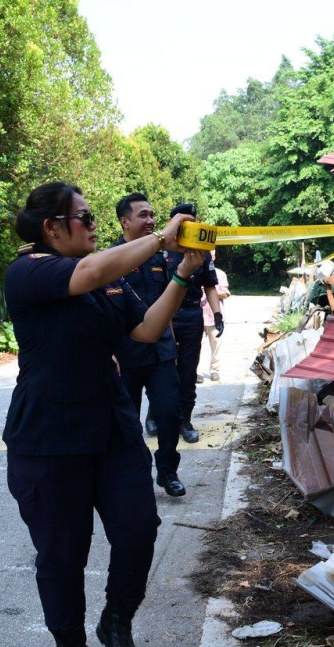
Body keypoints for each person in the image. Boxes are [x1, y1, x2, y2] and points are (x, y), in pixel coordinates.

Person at [3, 181, 203, 647]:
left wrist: (182, 272)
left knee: (138, 531)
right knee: (61, 553)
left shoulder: (110, 282)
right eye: (86, 218)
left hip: (113, 433)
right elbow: (89, 271)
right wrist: (160, 239)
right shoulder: (28, 271)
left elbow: (147, 329)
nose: (94, 227)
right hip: (49, 440)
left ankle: (116, 622)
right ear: (52, 228)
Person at [112, 193, 185, 497]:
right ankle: (134, 473)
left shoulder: (159, 258)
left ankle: (167, 472)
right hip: (127, 355)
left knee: (169, 414)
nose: (151, 221)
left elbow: (164, 305)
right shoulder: (111, 259)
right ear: (124, 221)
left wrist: (174, 343)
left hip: (161, 352)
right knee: (127, 422)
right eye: (143, 215)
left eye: (152, 215)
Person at [164, 203, 222, 444]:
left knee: (188, 370)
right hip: (165, 315)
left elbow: (209, 285)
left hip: (190, 315)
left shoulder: (202, 251)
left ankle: (185, 420)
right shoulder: (162, 250)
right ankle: (160, 417)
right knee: (165, 368)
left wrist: (217, 314)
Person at [200, 251, 230, 382]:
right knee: (195, 346)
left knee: (216, 344)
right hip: (198, 315)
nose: (209, 258)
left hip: (213, 315)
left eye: (211, 255)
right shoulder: (194, 269)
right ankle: (196, 372)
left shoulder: (220, 274)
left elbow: (225, 293)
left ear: (214, 257)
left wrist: (209, 289)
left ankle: (214, 370)